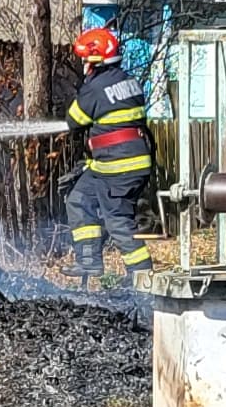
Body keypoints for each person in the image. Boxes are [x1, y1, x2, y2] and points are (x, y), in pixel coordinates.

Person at [61, 21, 156, 281]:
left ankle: (143, 277)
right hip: (116, 164)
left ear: (94, 59)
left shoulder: (96, 87)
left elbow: (74, 121)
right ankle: (89, 261)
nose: (83, 65)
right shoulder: (129, 81)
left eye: (85, 59)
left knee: (117, 221)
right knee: (79, 199)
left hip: (118, 167)